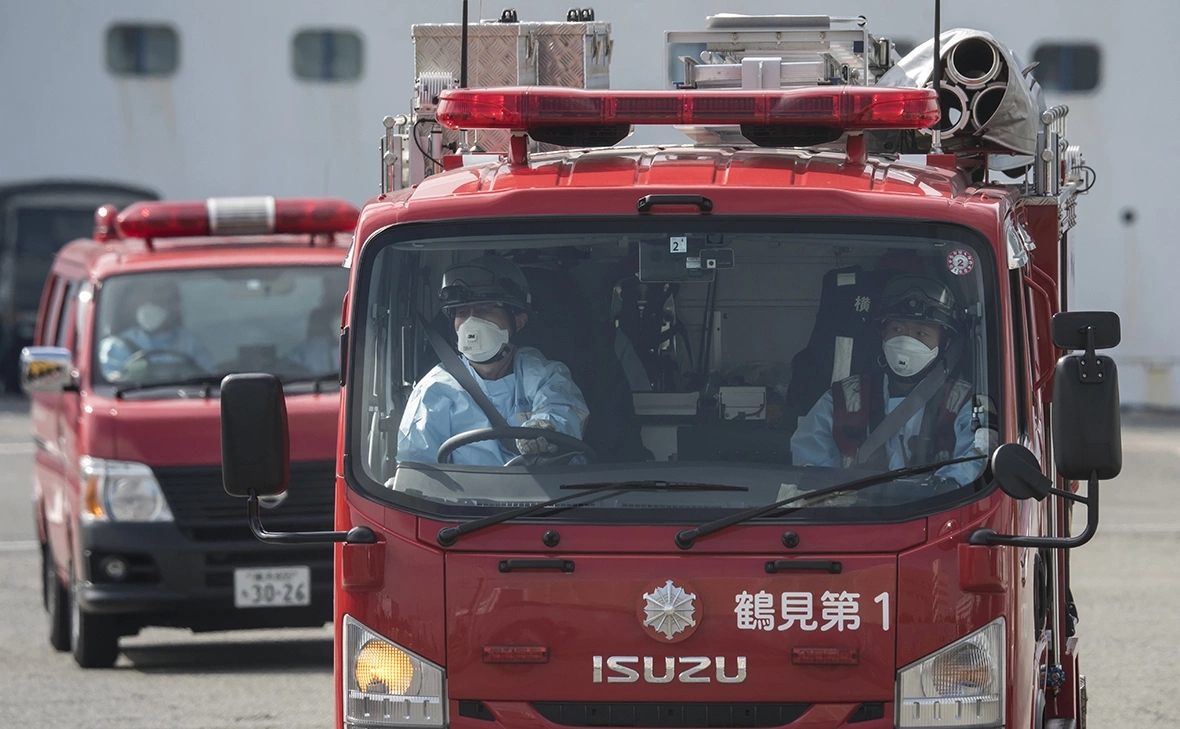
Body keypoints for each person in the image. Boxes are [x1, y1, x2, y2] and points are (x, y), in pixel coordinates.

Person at [396, 255, 589, 466]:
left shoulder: (544, 373)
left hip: (547, 494)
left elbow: (562, 409)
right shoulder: (434, 389)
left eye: (484, 309)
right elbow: (417, 473)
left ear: (518, 321)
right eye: (462, 312)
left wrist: (544, 429)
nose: (472, 321)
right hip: (467, 498)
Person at [790, 274, 982, 485]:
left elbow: (975, 465)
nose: (906, 342)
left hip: (935, 514)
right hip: (855, 515)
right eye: (896, 329)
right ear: (882, 335)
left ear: (945, 343)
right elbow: (809, 467)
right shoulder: (842, 398)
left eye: (920, 333)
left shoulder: (966, 404)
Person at [98, 279, 214, 381]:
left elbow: (208, 377)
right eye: (148, 297)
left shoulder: (190, 343)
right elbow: (109, 388)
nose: (155, 301)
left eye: (164, 297)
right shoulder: (115, 346)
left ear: (174, 305)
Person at [286, 305, 340, 375]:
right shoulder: (306, 349)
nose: (340, 321)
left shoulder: (356, 350)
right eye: (337, 316)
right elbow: (291, 369)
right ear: (331, 322)